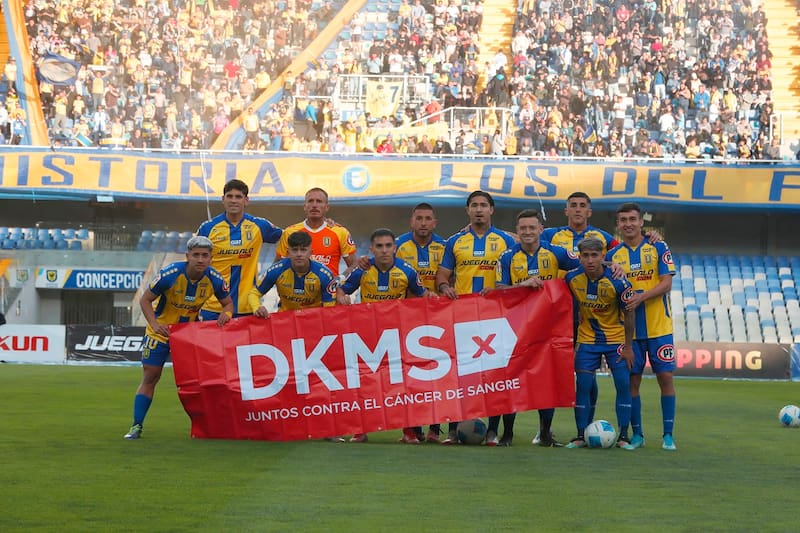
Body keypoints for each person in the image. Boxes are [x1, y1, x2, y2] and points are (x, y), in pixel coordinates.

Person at [124, 236, 233, 439]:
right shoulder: (170, 274)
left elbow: (228, 303)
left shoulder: (216, 279)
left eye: (205, 256)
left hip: (188, 336)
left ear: (211, 258)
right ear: (187, 256)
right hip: (161, 333)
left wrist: (225, 315)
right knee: (151, 376)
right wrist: (155, 325)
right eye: (196, 255)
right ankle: (136, 425)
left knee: (200, 382)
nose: (200, 260)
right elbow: (145, 300)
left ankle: (205, 429)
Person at [492, 209, 580, 446]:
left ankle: (545, 434)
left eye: (532, 228)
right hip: (516, 328)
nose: (528, 232)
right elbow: (498, 290)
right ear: (517, 232)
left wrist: (611, 265)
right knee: (512, 379)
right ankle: (507, 434)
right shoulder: (507, 256)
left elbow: (586, 263)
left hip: (549, 327)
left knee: (547, 380)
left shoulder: (556, 253)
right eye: (523, 228)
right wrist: (522, 285)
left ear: (541, 229)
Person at [436, 190, 516, 445]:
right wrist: (444, 287)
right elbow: (442, 275)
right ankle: (453, 429)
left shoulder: (506, 241)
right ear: (468, 210)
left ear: (491, 210)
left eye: (484, 205)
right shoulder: (455, 242)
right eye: (474, 205)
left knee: (496, 376)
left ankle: (493, 430)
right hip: (462, 318)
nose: (479, 209)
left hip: (497, 319)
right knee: (458, 376)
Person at [337, 228, 430, 444]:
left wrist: (435, 298)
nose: (384, 250)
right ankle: (360, 430)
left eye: (388, 246)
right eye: (379, 246)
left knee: (402, 384)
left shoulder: (407, 271)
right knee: (364, 383)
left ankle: (408, 432)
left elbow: (423, 296)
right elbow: (341, 289)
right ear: (371, 249)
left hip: (397, 336)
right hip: (365, 335)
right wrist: (342, 297)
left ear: (395, 247)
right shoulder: (362, 270)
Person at [607, 203, 677, 451]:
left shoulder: (658, 246)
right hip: (631, 332)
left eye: (632, 219)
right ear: (618, 224)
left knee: (665, 377)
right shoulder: (614, 257)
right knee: (632, 382)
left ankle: (668, 435)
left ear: (640, 223)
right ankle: (638, 436)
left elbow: (666, 283)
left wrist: (640, 297)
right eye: (623, 219)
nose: (628, 223)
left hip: (659, 327)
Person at [564, 237, 636, 450]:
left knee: (623, 385)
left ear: (603, 256)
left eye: (595, 255)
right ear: (580, 257)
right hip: (587, 340)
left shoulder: (619, 281)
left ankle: (624, 436)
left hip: (615, 340)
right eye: (585, 255)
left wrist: (629, 347)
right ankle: (580, 435)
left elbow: (630, 314)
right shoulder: (571, 278)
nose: (590, 260)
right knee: (583, 386)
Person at [395, 202, 447, 443]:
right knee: (410, 376)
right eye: (419, 218)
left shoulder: (445, 246)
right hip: (406, 319)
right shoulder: (397, 245)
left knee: (438, 374)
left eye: (428, 218)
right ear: (411, 221)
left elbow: (449, 277)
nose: (423, 223)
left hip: (438, 319)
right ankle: (412, 430)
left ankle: (435, 430)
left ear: (434, 222)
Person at [196, 179, 282, 320]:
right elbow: (193, 262)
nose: (233, 201)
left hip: (247, 307)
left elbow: (289, 237)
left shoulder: (259, 226)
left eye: (238, 197)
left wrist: (326, 225)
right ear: (223, 200)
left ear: (246, 200)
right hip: (213, 307)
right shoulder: (208, 228)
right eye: (229, 196)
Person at [274, 188, 356, 278]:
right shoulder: (289, 232)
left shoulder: (341, 232)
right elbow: (276, 267)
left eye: (319, 201)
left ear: (327, 207)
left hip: (328, 291)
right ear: (305, 206)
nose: (314, 205)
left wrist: (341, 283)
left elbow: (354, 266)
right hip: (297, 290)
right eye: (310, 201)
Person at [251, 231, 337, 314]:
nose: (299, 254)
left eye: (303, 250)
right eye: (295, 250)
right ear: (288, 253)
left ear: (310, 253)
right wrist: (257, 307)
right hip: (285, 320)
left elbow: (329, 309)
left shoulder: (324, 275)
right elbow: (254, 294)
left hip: (314, 321)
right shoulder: (276, 271)